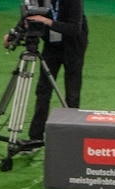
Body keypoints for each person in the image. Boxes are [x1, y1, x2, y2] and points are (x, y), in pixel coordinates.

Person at [24, 0, 88, 142]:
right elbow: (30, 17)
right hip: (51, 45)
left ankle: (72, 137)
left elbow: (74, 29)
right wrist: (14, 35)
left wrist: (48, 22)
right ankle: (35, 137)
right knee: (43, 89)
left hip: (74, 46)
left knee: (72, 92)